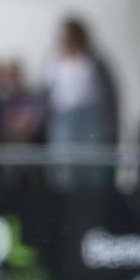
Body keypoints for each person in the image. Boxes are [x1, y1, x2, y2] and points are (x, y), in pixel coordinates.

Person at [40, 16, 119, 190]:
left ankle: (91, 202)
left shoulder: (92, 61)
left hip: (89, 117)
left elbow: (108, 95)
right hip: (63, 117)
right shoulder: (54, 61)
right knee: (63, 163)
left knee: (90, 162)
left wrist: (109, 125)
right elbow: (46, 93)